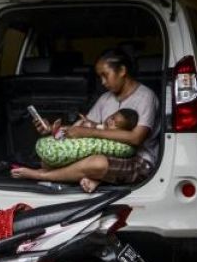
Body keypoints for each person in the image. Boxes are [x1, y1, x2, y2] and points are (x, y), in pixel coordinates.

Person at [12, 48, 159, 192]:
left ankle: (41, 175)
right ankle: (94, 177)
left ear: (122, 71)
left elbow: (136, 138)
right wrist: (52, 130)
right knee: (48, 161)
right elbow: (82, 127)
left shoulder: (145, 96)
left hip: (139, 162)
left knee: (97, 164)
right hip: (108, 155)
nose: (102, 82)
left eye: (105, 75)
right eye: (99, 77)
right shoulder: (105, 98)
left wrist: (89, 131)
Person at [33, 109, 139, 172]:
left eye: (116, 125)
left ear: (121, 132)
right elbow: (92, 127)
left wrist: (89, 127)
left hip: (78, 145)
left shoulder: (113, 140)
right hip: (74, 138)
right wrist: (87, 123)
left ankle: (58, 134)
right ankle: (57, 133)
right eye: (112, 117)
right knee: (78, 125)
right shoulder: (102, 126)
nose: (110, 122)